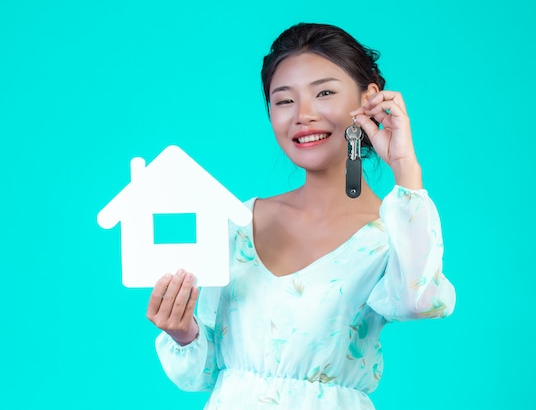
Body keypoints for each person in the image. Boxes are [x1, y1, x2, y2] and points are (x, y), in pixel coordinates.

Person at [146, 22, 456, 409]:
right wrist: (184, 333)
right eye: (284, 100)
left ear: (370, 99)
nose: (303, 115)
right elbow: (207, 373)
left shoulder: (394, 231)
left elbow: (421, 301)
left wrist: (406, 168)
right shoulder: (238, 221)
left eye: (324, 92)